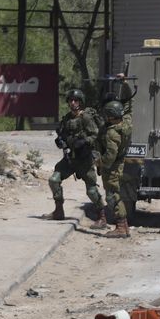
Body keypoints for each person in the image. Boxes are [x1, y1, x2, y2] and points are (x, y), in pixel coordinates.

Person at [47, 88, 105, 223]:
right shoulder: (67, 118)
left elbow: (95, 135)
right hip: (70, 159)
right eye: (71, 100)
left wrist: (84, 141)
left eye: (76, 100)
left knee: (91, 191)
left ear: (81, 102)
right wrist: (61, 140)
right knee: (54, 180)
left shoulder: (86, 117)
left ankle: (102, 216)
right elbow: (63, 134)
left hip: (85, 160)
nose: (73, 103)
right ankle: (58, 210)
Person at [96, 100, 132, 238]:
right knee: (114, 193)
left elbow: (110, 156)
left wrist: (99, 162)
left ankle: (121, 227)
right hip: (119, 164)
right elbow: (130, 109)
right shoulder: (126, 124)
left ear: (111, 115)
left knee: (113, 196)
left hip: (112, 167)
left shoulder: (112, 134)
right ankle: (124, 227)